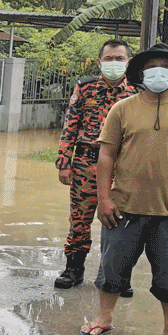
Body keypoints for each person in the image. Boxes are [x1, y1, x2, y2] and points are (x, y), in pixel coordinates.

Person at [82, 42, 168, 335]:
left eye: (166, 66)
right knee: (112, 269)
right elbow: (106, 157)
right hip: (124, 208)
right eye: (152, 66)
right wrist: (104, 200)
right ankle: (104, 318)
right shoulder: (122, 109)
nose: (159, 72)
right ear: (141, 73)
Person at [54, 39, 136, 290]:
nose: (114, 63)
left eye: (119, 59)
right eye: (109, 59)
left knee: (121, 222)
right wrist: (63, 163)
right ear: (99, 62)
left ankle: (117, 276)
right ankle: (73, 269)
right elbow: (70, 124)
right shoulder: (85, 88)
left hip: (124, 167)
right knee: (79, 219)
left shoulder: (137, 91)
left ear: (128, 62)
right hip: (87, 163)